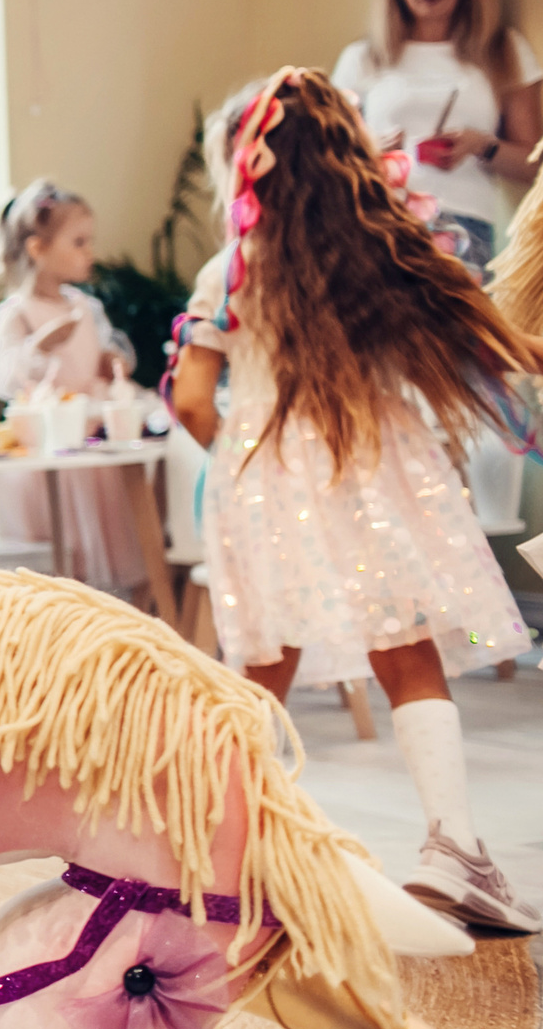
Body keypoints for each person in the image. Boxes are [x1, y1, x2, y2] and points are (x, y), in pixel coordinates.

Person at [167, 67, 543, 934]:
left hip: (260, 489)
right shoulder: (391, 252)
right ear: (349, 156)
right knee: (405, 653)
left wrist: (246, 468)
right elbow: (504, 350)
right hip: (375, 479)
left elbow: (191, 400)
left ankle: (216, 854)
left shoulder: (231, 269)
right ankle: (453, 846)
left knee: (262, 669)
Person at [330, 0, 542, 269]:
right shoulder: (361, 58)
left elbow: (533, 167)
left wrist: (482, 145)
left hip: (467, 230)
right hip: (376, 227)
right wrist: (368, 154)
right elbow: (323, 160)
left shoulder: (503, 50)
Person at [0, 179, 150, 598]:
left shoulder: (86, 308)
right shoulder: (16, 312)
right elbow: (8, 374)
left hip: (89, 439)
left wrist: (112, 364)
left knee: (100, 543)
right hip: (47, 444)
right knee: (56, 553)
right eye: (79, 242)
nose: (90, 252)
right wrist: (40, 346)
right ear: (38, 249)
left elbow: (105, 352)